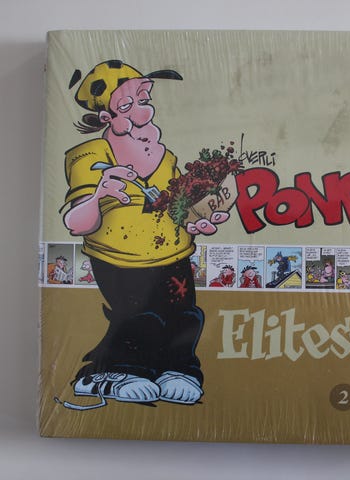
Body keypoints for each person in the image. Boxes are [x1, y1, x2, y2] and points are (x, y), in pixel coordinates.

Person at [61, 60, 228, 409]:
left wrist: (195, 221)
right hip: (121, 259)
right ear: (107, 117)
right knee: (139, 318)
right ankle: (111, 372)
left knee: (184, 315)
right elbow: (76, 223)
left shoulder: (165, 158)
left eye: (144, 99)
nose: (144, 110)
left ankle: (177, 369)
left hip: (174, 255)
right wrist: (99, 194)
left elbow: (178, 208)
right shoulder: (90, 156)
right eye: (128, 104)